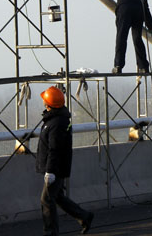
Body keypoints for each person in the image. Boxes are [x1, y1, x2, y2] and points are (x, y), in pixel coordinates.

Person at [36, 86, 94, 235]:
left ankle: (51, 232)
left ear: (49, 104)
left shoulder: (56, 123)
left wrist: (50, 171)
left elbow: (54, 149)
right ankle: (84, 216)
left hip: (56, 168)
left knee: (46, 200)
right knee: (58, 197)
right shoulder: (55, 120)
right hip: (57, 166)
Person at [97, 0, 152, 74]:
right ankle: (143, 67)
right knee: (137, 39)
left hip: (125, 9)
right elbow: (147, 12)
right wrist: (151, 28)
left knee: (122, 37)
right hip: (139, 13)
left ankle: (118, 66)